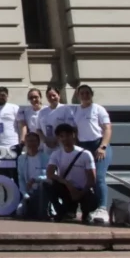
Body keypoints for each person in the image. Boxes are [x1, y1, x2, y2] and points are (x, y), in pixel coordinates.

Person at [73, 84, 113, 226]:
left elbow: (107, 129)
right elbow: (76, 131)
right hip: (84, 148)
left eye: (87, 93)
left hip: (98, 146)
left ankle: (103, 208)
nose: (85, 95)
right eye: (82, 93)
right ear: (78, 96)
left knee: (99, 177)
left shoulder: (98, 109)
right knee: (86, 180)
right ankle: (92, 208)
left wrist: (103, 146)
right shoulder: (76, 111)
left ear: (91, 94)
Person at [47, 123, 98, 223]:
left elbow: (92, 179)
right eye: (61, 136)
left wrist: (80, 193)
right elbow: (50, 173)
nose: (65, 139)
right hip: (66, 188)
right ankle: (63, 211)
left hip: (83, 189)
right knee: (47, 186)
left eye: (67, 135)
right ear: (58, 138)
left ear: (73, 135)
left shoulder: (85, 154)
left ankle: (86, 212)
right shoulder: (56, 154)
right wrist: (68, 184)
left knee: (91, 200)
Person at [16, 131, 50, 220]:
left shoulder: (46, 157)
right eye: (29, 141)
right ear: (26, 143)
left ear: (38, 143)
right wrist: (25, 194)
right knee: (19, 211)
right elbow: (21, 178)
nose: (32, 143)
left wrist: (35, 179)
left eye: (34, 141)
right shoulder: (21, 159)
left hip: (43, 191)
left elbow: (51, 176)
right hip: (29, 192)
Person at [37, 85, 75, 151]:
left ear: (59, 95)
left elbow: (70, 128)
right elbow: (38, 129)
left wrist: (57, 140)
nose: (52, 98)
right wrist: (46, 141)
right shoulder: (42, 112)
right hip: (47, 146)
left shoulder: (66, 109)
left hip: (62, 145)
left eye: (54, 95)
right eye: (49, 96)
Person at [0, 87, 20, 152]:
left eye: (3, 95)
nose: (0, 97)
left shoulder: (15, 108)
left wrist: (22, 141)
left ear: (7, 96)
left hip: (13, 144)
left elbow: (22, 125)